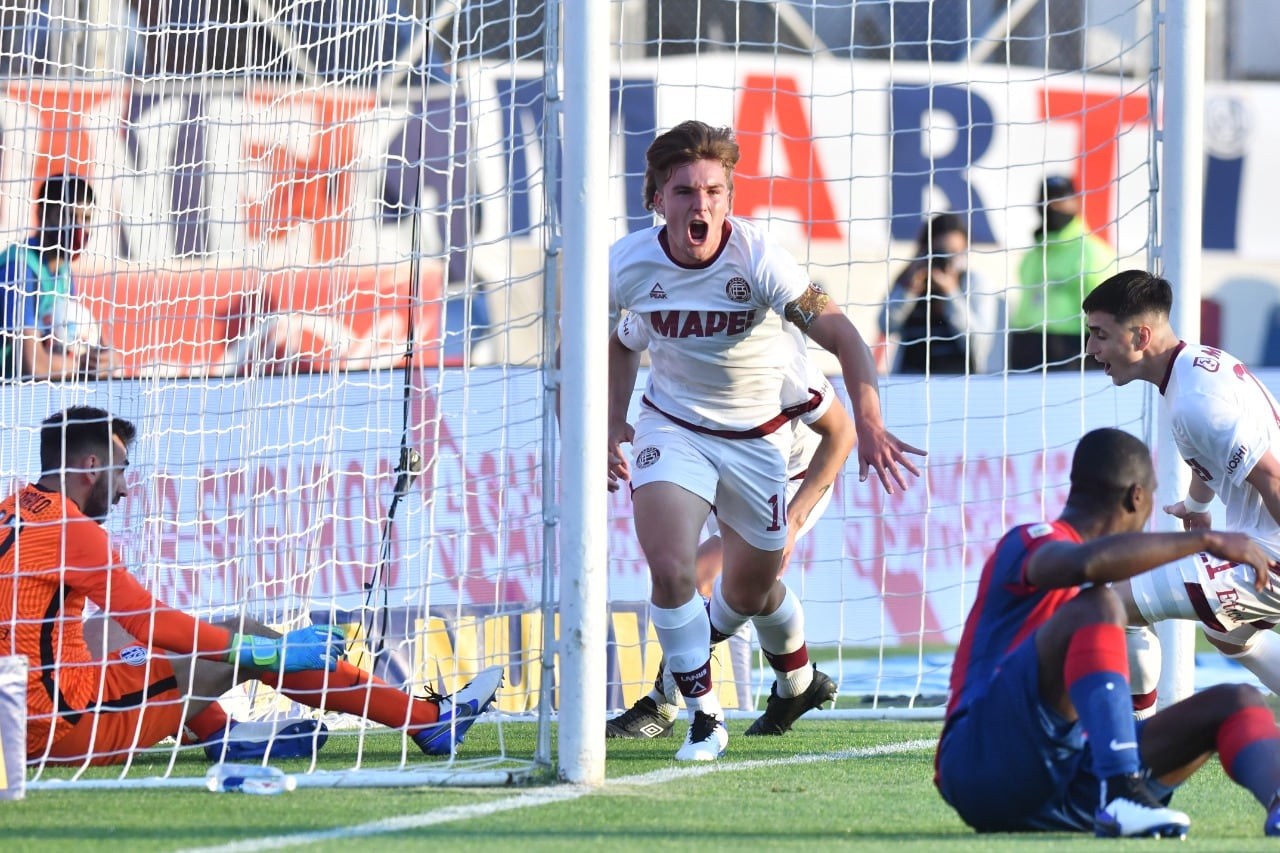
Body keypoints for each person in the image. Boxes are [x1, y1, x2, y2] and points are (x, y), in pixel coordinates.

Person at [606, 119, 924, 761]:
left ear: (730, 195)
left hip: (767, 451)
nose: (702, 206)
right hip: (675, 429)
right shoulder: (628, 264)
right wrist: (613, 418)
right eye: (685, 192)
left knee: (748, 592)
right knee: (673, 570)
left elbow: (844, 344)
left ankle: (796, 682)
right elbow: (616, 339)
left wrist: (868, 421)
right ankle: (696, 712)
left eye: (715, 191)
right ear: (656, 200)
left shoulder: (761, 268)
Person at [2, 406, 502, 766]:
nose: (126, 487)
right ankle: (427, 721)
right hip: (64, 730)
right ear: (91, 468)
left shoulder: (10, 509)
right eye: (120, 470)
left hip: (14, 720)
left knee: (110, 629)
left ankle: (221, 733)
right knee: (249, 635)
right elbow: (151, 620)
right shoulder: (74, 532)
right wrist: (260, 655)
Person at [937, 427, 1280, 837]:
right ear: (1138, 497)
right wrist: (1206, 540)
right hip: (981, 762)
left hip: (1064, 785)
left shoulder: (1095, 568)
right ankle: (1123, 793)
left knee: (1236, 700)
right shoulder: (1028, 541)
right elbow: (1083, 566)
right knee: (1101, 603)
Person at [606, 321, 854, 739]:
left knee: (706, 577)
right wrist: (613, 417)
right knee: (744, 589)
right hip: (704, 461)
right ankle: (797, 683)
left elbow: (841, 432)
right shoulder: (668, 300)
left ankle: (662, 704)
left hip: (782, 480)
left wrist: (792, 521)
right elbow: (621, 340)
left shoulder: (778, 362)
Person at [1082, 270, 1280, 702]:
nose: (1092, 348)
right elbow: (1215, 455)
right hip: (1262, 542)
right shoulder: (1196, 365)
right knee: (1228, 636)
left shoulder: (1194, 402)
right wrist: (1195, 504)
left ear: (1140, 336)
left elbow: (1272, 477)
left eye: (1100, 334)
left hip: (1272, 551)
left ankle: (1140, 746)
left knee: (1115, 601)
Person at [0, 174, 117, 380]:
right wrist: (81, 367)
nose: (79, 228)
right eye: (70, 216)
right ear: (43, 214)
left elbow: (86, 340)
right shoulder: (19, 269)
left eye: (87, 219)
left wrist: (104, 359)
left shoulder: (62, 271)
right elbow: (33, 366)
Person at [1008, 174, 1115, 372]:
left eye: (1060, 200)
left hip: (1071, 349)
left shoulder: (1092, 252)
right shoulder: (1032, 255)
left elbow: (1107, 314)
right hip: (1027, 347)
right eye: (1048, 200)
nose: (1053, 206)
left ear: (1075, 203)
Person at [880, 213, 998, 374]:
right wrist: (909, 291)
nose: (947, 259)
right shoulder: (911, 279)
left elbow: (978, 344)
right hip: (911, 379)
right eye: (940, 252)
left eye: (955, 253)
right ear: (926, 249)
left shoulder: (973, 282)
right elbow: (885, 325)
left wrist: (951, 293)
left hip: (960, 382)